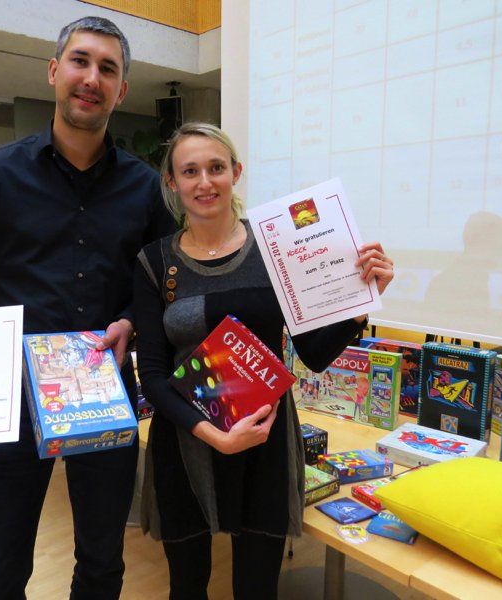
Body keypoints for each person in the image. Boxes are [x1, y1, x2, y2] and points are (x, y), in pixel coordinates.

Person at [0, 16, 175, 600]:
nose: (91, 78)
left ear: (121, 90)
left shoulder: (146, 189)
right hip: (5, 400)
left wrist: (131, 319)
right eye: (80, 61)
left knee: (102, 564)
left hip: (102, 394)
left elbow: (166, 281)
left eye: (108, 69)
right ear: (53, 71)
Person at [133, 122, 394, 599]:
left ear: (236, 172)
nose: (205, 182)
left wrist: (359, 303)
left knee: (257, 589)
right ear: (171, 181)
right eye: (190, 171)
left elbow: (314, 354)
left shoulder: (276, 249)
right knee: (186, 587)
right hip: (187, 440)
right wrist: (214, 435)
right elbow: (152, 375)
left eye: (216, 167)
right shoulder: (155, 261)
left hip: (264, 437)